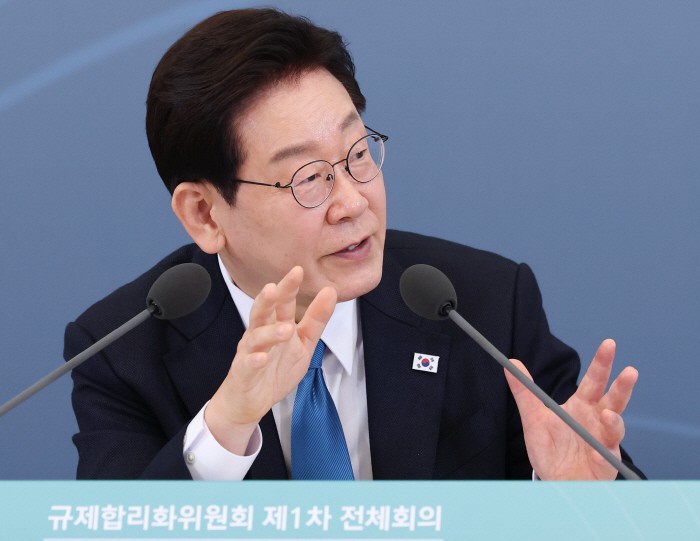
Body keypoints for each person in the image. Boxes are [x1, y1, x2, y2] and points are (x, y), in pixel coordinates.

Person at [64, 8, 643, 481]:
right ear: (204, 213)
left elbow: (604, 489)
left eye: (359, 154)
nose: (353, 201)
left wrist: (570, 500)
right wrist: (224, 428)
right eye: (307, 178)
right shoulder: (121, 351)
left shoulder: (483, 306)